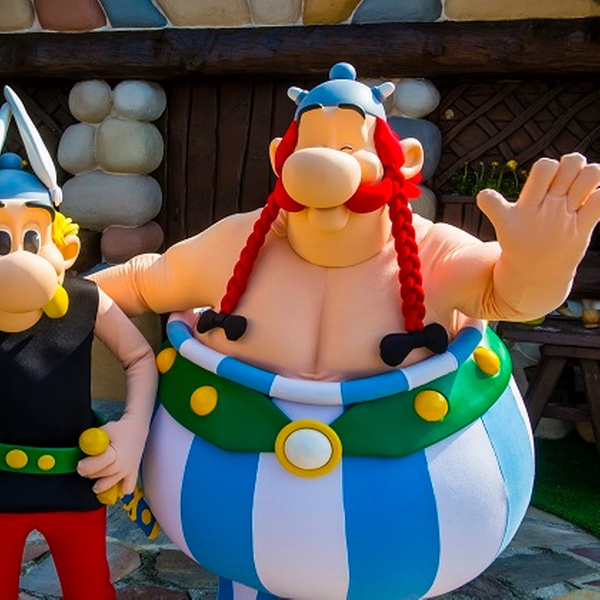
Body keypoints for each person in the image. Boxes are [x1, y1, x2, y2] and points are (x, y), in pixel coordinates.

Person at [91, 63, 600, 599]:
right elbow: (142, 282)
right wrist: (59, 294)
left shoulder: (433, 251)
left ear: (404, 160)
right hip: (235, 534)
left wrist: (541, 262)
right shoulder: (234, 245)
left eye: (347, 146)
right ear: (280, 160)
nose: (323, 163)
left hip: (399, 547)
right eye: (310, 146)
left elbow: (510, 294)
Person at [0, 86, 157, 600]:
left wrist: (133, 429)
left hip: (75, 482)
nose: (16, 257)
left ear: (62, 244)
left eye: (31, 238)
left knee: (90, 587)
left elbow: (139, 357)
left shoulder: (86, 300)